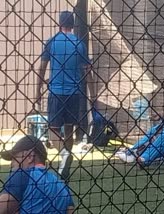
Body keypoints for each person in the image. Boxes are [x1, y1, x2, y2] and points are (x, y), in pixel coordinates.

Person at [36, 11, 95, 180]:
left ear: (59, 23)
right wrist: (93, 93)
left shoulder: (52, 41)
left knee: (52, 130)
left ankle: (63, 154)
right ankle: (64, 167)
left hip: (56, 93)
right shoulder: (79, 44)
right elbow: (87, 70)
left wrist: (37, 91)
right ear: (74, 24)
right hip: (74, 94)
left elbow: (42, 68)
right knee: (69, 129)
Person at [0, 135, 74, 214]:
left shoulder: (21, 175)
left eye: (14, 158)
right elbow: (70, 210)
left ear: (30, 156)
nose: (11, 164)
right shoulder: (61, 185)